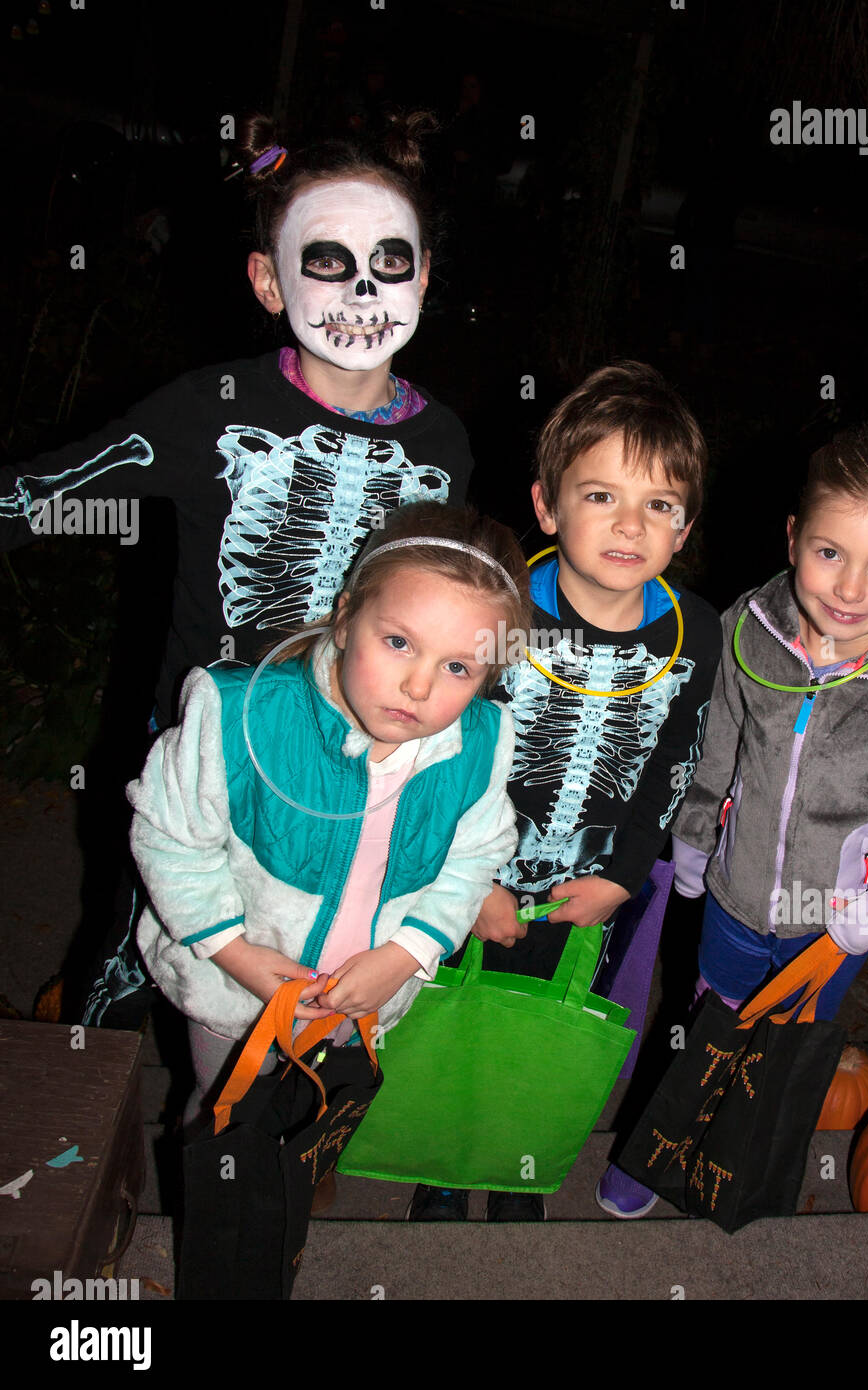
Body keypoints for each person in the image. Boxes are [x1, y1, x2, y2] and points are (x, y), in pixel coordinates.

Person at [0, 111, 475, 1024]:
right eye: (327, 260)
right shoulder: (210, 409)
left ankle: (269, 1150)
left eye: (391, 260)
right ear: (268, 281)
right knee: (134, 967)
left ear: (423, 276)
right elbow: (45, 493)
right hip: (204, 756)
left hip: (352, 764)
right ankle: (87, 1118)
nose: (362, 289)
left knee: (309, 990)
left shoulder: (443, 440)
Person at [602, 423, 868, 1218]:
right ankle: (658, 1152)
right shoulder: (745, 627)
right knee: (708, 1021)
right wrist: (691, 831)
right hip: (733, 892)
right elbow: (713, 739)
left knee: (782, 1048)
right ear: (793, 538)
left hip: (835, 926)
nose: (848, 589)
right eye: (829, 552)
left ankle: (732, 1166)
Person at [407, 361, 722, 1222]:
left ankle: (517, 1165)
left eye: (658, 505)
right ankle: (440, 1161)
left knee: (544, 1029)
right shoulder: (499, 608)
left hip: (593, 886)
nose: (630, 525)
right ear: (546, 506)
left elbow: (672, 764)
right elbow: (449, 746)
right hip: (476, 875)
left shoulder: (698, 632)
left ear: (683, 526)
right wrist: (469, 881)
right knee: (457, 1019)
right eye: (600, 497)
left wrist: (624, 873)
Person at [130, 502, 530, 1132]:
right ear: (346, 619)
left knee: (318, 1107)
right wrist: (234, 954)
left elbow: (472, 860)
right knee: (223, 1107)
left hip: (367, 996)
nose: (419, 687)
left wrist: (405, 956)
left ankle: (303, 1163)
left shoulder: (482, 743)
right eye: (398, 643)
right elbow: (170, 841)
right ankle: (219, 1177)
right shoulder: (237, 716)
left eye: (458, 667)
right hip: (234, 989)